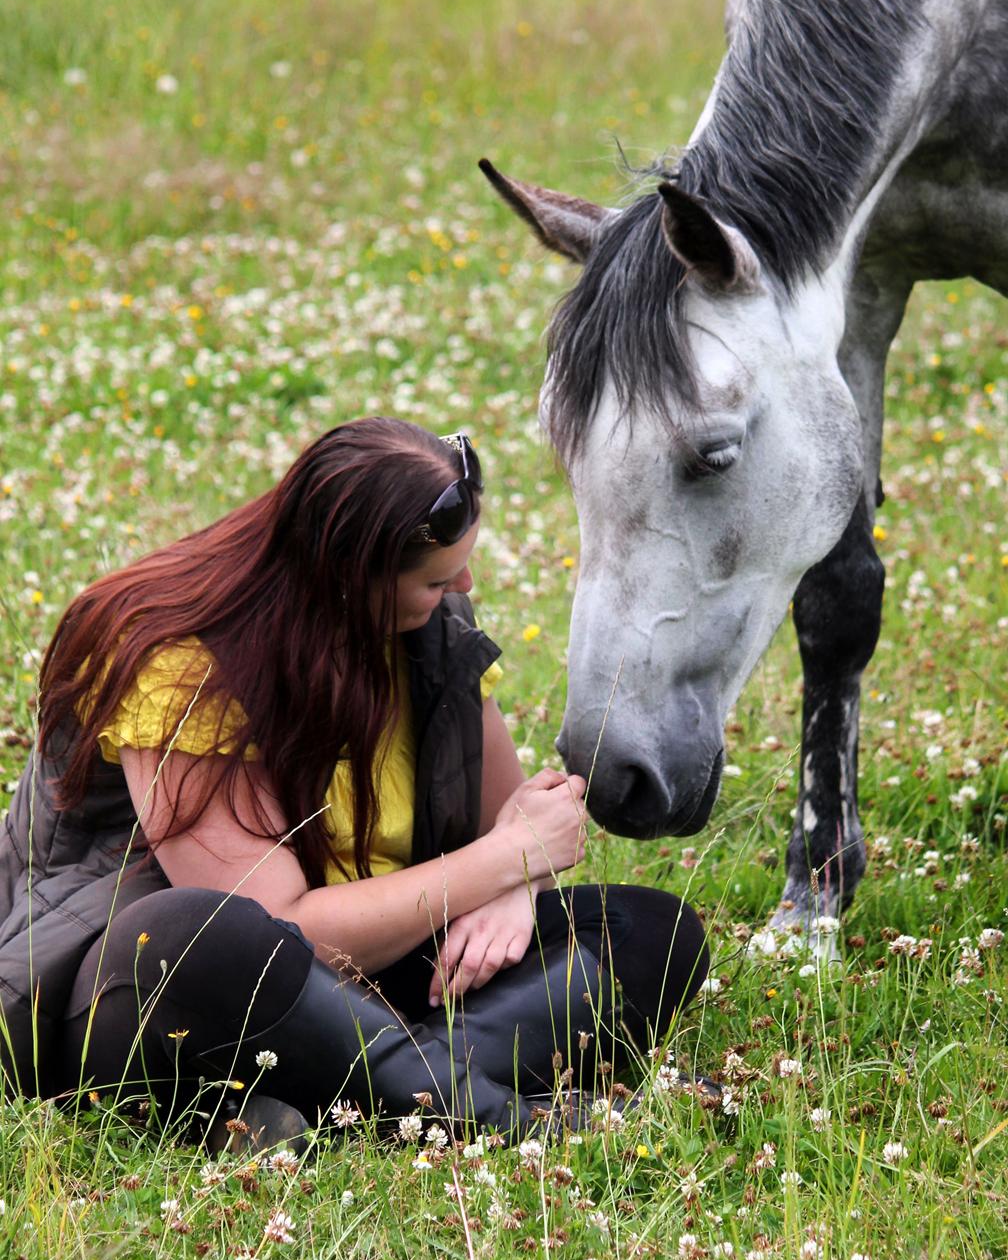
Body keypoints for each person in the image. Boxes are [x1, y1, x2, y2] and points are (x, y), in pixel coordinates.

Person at [0, 418, 709, 1145]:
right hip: (157, 996)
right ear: (347, 578)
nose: (462, 586)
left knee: (652, 932)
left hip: (377, 975)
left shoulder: (424, 632)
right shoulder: (180, 662)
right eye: (436, 579)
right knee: (198, 932)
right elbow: (288, 930)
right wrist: (507, 860)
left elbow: (520, 821)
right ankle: (477, 1111)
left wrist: (520, 890)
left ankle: (333, 1105)